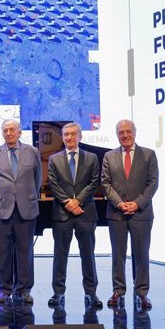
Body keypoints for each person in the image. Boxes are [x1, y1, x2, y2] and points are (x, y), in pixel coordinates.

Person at [102, 119, 158, 309]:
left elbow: (153, 183)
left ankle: (142, 293)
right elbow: (106, 184)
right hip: (117, 213)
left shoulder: (149, 155)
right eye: (121, 132)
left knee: (141, 254)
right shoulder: (109, 156)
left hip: (141, 213)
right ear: (117, 135)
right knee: (118, 254)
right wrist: (119, 204)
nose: (125, 135)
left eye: (128, 132)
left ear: (134, 132)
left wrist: (137, 203)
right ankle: (118, 290)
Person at [47, 122, 102, 308]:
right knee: (60, 255)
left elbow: (94, 182)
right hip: (62, 214)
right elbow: (53, 185)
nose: (69, 138)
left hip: (85, 213)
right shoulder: (54, 159)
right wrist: (68, 203)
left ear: (80, 137)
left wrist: (77, 201)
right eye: (66, 135)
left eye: (72, 134)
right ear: (62, 137)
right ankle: (58, 292)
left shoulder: (92, 158)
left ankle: (91, 293)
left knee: (88, 255)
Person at [0, 119, 41, 304]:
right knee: (2, 252)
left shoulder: (32, 152)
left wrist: (24, 195)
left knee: (25, 251)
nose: (9, 133)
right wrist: (5, 195)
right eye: (5, 130)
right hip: (2, 209)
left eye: (12, 130)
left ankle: (24, 289)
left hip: (26, 208)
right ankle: (4, 288)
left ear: (19, 132)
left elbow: (37, 179)